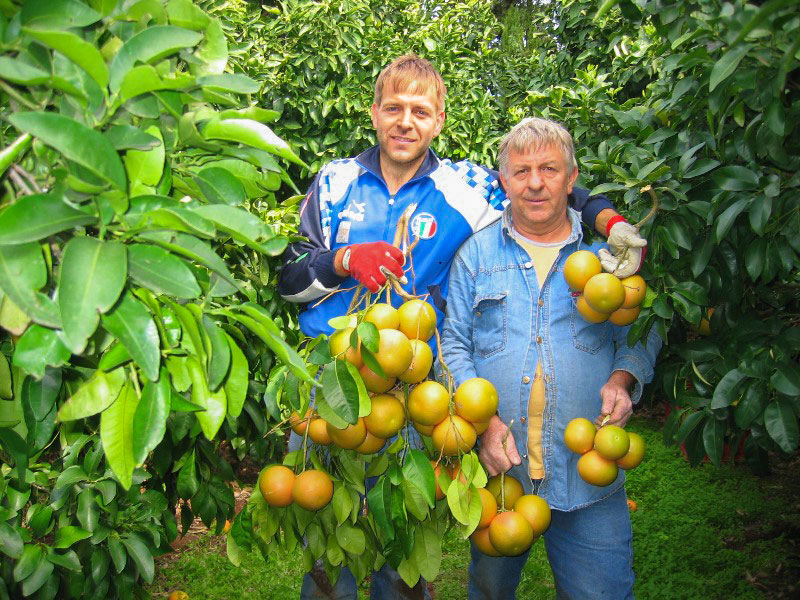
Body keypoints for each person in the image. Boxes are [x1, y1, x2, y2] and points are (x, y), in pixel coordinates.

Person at [276, 55, 645, 600]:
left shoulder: (468, 187)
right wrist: (341, 260)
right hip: (331, 389)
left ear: (440, 119)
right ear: (374, 113)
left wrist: (608, 220)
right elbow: (287, 280)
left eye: (420, 111)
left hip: (415, 393)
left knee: (403, 547)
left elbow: (546, 192)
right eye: (394, 108)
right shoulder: (335, 181)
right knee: (327, 547)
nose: (406, 122)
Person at [439, 117, 661, 599]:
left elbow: (641, 330)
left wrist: (623, 380)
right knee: (490, 592)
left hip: (588, 476)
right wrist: (484, 423)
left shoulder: (606, 262)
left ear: (572, 177)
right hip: (501, 474)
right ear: (504, 182)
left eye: (548, 169)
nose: (535, 183)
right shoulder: (475, 256)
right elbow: (451, 342)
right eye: (521, 172)